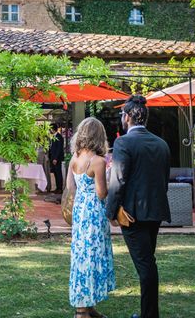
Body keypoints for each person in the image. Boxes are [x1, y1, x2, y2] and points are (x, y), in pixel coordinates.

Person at [106, 95, 170, 318]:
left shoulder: (123, 142)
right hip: (156, 212)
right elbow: (164, 180)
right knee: (147, 262)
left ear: (127, 117)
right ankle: (148, 314)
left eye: (122, 115)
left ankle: (149, 316)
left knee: (146, 265)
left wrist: (111, 212)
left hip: (132, 215)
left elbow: (118, 180)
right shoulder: (161, 144)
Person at [68, 117, 116, 318]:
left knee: (81, 254)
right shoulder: (98, 161)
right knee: (93, 254)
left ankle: (87, 305)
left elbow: (70, 188)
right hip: (94, 213)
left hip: (80, 211)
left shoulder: (75, 158)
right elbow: (102, 193)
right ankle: (83, 311)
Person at [49, 123, 65, 193]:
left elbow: (59, 148)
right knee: (55, 173)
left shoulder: (59, 136)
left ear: (53, 129)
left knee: (58, 173)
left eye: (50, 129)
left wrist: (55, 158)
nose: (49, 130)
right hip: (53, 158)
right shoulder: (54, 136)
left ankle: (60, 188)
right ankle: (57, 187)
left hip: (57, 158)